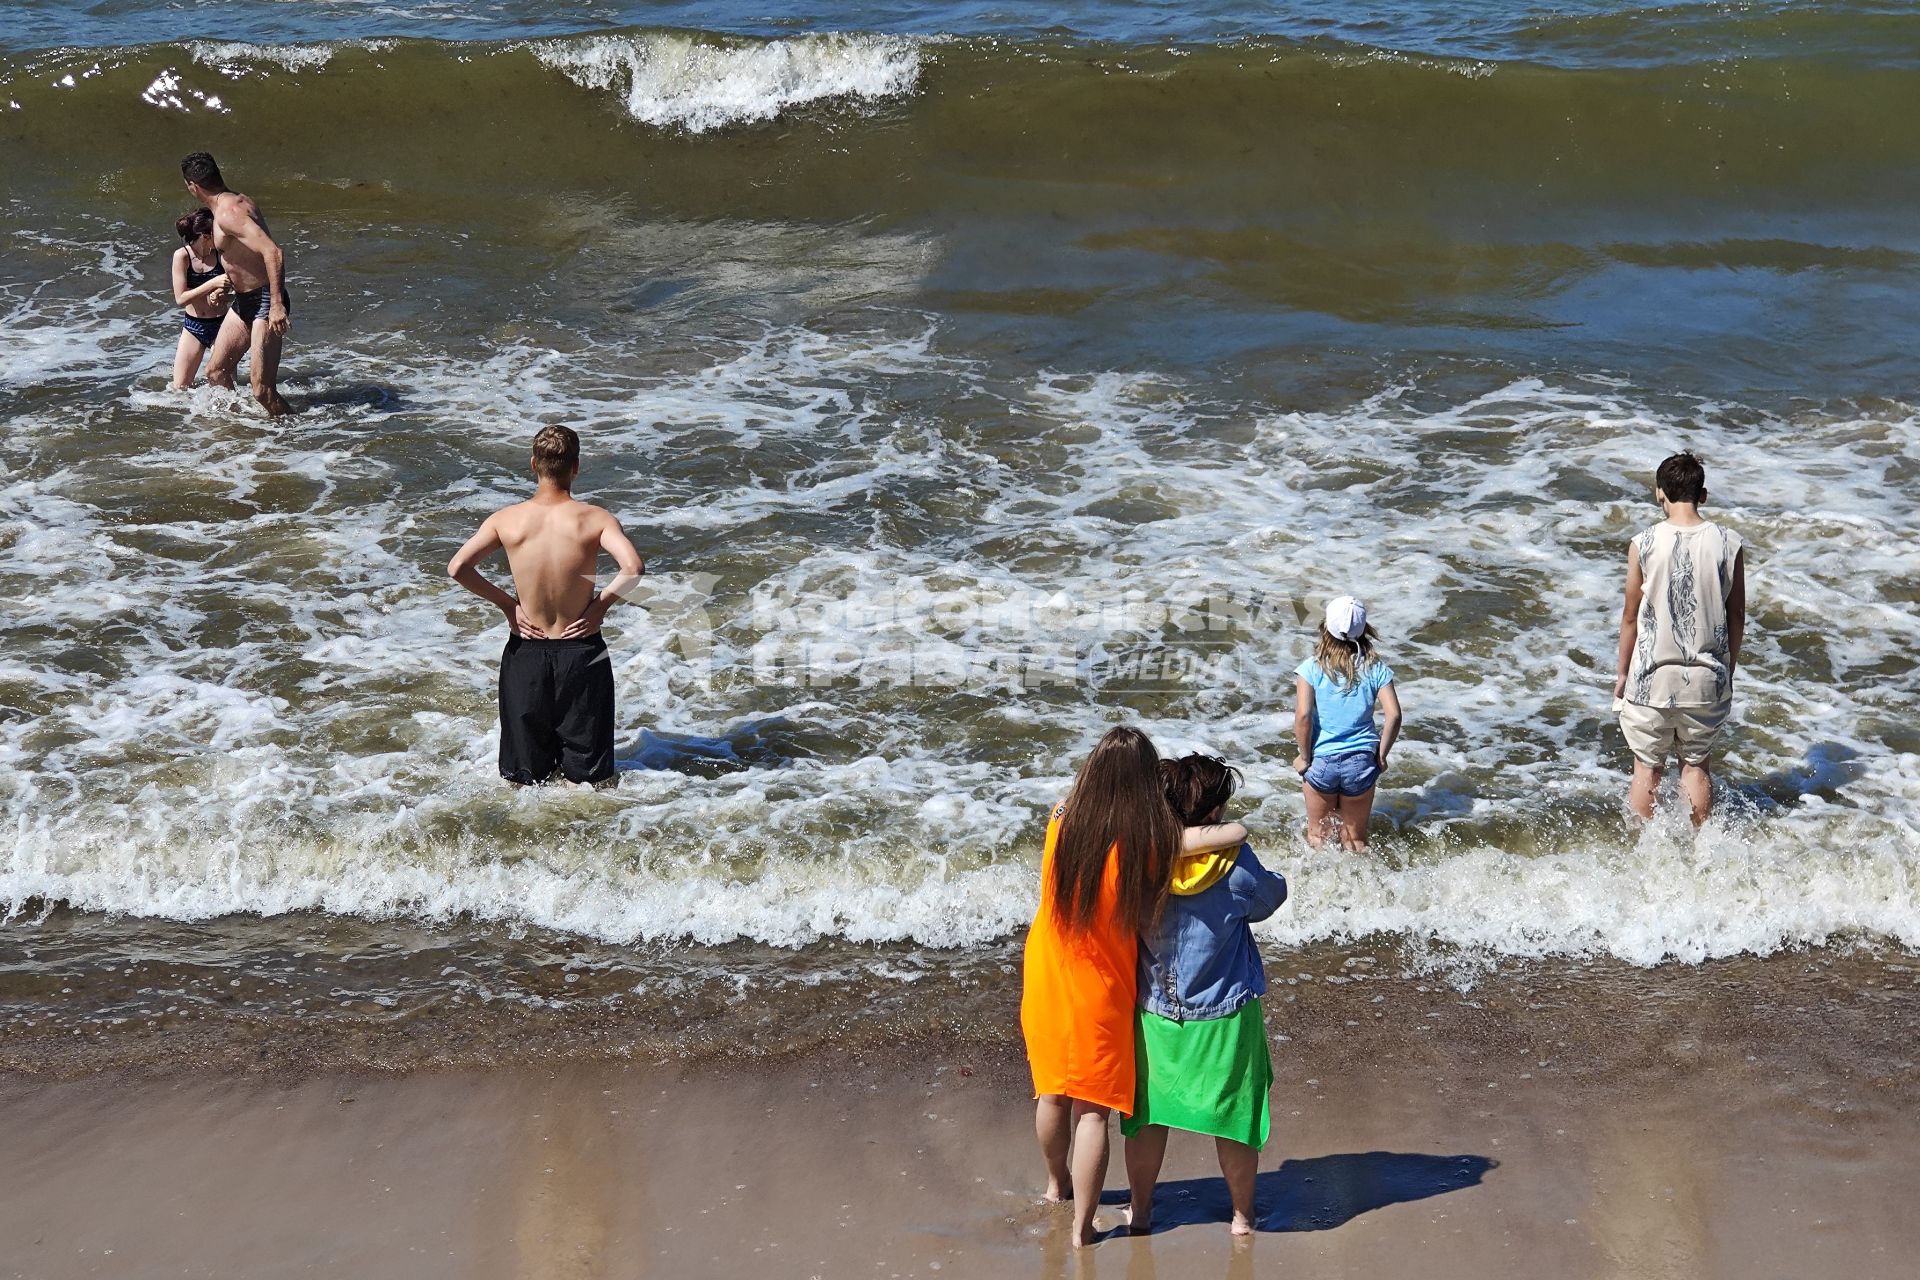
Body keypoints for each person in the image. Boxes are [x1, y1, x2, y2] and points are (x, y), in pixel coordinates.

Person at [1021, 727, 1246, 1247]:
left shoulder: (1060, 816)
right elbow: (1210, 838)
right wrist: (1236, 827)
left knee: (1052, 1089)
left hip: (1047, 966)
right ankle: (1081, 1231)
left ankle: (1057, 1187)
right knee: (1093, 1109)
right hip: (1099, 980)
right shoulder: (1143, 841)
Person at [1124, 754, 1288, 1238]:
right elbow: (1269, 899)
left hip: (1154, 1012)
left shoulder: (1141, 860)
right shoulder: (1235, 864)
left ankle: (1141, 1209)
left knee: (1147, 1120)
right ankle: (1241, 1215)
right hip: (1224, 1015)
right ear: (1214, 814)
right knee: (1235, 1118)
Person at [447, 425, 645, 788]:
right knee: (588, 784)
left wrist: (509, 607)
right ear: (577, 467)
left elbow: (458, 568)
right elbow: (632, 568)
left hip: (526, 652)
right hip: (581, 652)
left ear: (534, 463)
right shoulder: (595, 519)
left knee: (525, 781)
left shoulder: (506, 520)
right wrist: (600, 607)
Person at [1613, 451, 1745, 826]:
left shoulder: (1644, 542)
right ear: (1702, 495)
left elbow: (1630, 617)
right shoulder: (1729, 543)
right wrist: (1727, 669)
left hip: (1650, 679)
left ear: (1660, 494)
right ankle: (1702, 851)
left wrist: (1622, 675)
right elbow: (1736, 616)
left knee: (1647, 770)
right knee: (1696, 767)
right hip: (1707, 679)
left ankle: (1644, 854)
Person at [180, 151, 293, 416]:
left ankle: (296, 439)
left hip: (265, 300)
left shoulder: (229, 213)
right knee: (216, 372)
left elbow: (273, 252)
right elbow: (246, 257)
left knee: (262, 390)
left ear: (193, 186)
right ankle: (241, 432)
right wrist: (227, 285)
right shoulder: (231, 204)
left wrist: (277, 305)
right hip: (245, 300)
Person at [1292, 596, 1401, 851]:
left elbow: (1303, 716)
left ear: (1326, 627)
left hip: (1322, 761)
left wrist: (1304, 758)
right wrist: (1382, 755)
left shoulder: (1311, 668)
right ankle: (1363, 888)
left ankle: (1322, 888)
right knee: (1355, 840)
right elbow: (1394, 715)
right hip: (1361, 762)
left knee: (1319, 838)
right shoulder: (1376, 668)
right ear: (1364, 630)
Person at [168, 208, 229, 389]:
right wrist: (212, 285)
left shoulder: (221, 254)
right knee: (179, 387)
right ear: (206, 235)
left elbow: (237, 286)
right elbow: (181, 298)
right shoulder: (182, 256)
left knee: (224, 386)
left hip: (223, 325)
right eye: (216, 231)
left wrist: (222, 293)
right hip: (194, 326)